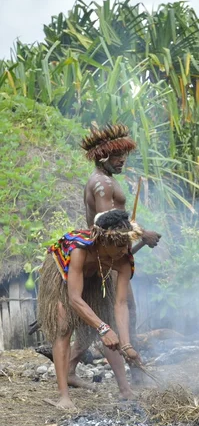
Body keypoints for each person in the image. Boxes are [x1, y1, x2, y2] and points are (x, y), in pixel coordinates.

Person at [68, 124, 161, 389]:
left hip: (113, 256)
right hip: (103, 257)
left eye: (124, 155)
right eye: (118, 156)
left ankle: (121, 372)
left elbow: (116, 223)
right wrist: (142, 233)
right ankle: (128, 384)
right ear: (103, 157)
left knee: (120, 313)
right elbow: (108, 227)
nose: (123, 160)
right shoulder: (102, 184)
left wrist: (141, 234)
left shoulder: (106, 180)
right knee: (112, 318)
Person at [37, 209, 143, 410]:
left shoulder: (124, 259)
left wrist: (127, 345)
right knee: (63, 326)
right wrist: (102, 329)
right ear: (103, 241)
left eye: (127, 244)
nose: (125, 249)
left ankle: (125, 390)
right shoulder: (80, 250)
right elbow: (74, 299)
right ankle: (64, 397)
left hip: (95, 275)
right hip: (62, 275)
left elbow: (120, 304)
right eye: (120, 245)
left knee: (110, 326)